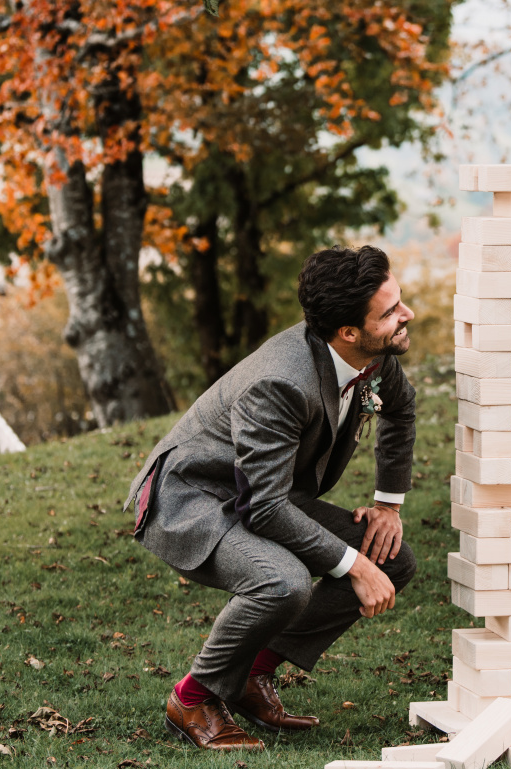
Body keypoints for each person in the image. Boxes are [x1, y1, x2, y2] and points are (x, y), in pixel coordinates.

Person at [121, 245, 419, 751]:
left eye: (398, 301)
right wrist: (353, 567)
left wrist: (387, 506)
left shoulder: (371, 355)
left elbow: (401, 409)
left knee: (389, 558)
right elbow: (265, 507)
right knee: (282, 582)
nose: (405, 314)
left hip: (261, 489)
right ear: (348, 332)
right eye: (390, 311)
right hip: (193, 497)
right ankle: (192, 699)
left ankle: (250, 678)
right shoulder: (282, 380)